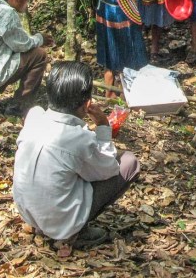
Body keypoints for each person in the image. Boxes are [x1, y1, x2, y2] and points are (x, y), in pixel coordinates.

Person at [13, 61, 140, 253]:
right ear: (87, 104)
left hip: (27, 212)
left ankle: (44, 224)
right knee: (129, 161)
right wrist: (103, 126)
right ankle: (75, 232)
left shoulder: (34, 115)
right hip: (61, 223)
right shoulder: (78, 138)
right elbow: (109, 168)